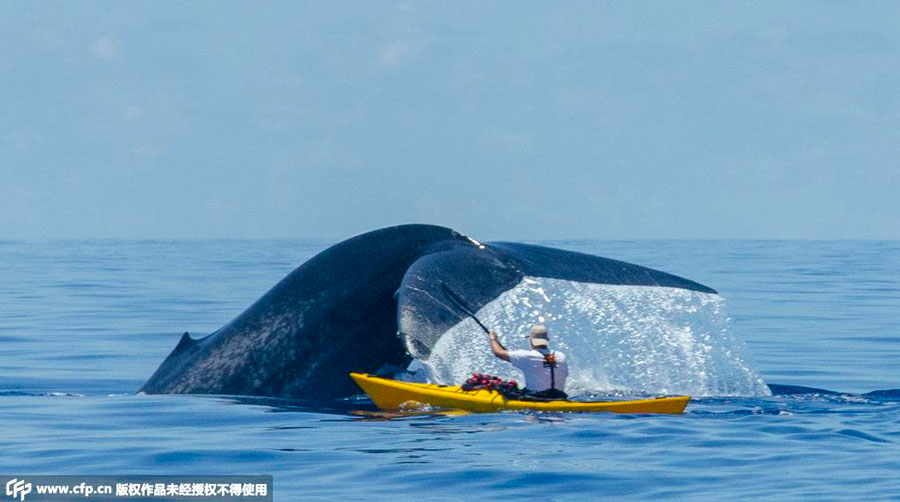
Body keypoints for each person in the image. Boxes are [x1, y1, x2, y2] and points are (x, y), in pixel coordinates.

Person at [486, 324, 568, 399]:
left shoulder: (527, 356)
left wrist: (493, 338)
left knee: (505, 388)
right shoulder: (561, 356)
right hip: (559, 396)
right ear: (547, 340)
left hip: (536, 398)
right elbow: (544, 362)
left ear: (531, 340)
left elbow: (498, 353)